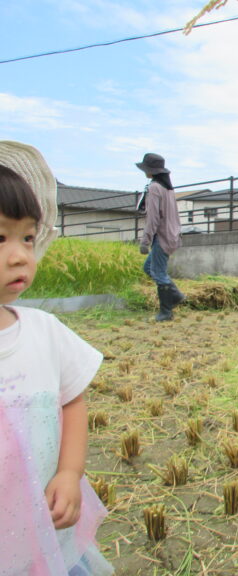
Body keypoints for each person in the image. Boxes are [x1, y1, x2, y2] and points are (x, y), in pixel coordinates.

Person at [0, 141, 113, 575]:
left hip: (41, 523)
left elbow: (72, 400)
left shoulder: (44, 332)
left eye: (27, 237)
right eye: (2, 237)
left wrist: (69, 472)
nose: (20, 254)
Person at [135, 152, 184, 321]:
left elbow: (153, 217)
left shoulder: (155, 188)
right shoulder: (167, 188)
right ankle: (175, 296)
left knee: (158, 272)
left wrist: (145, 240)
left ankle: (166, 312)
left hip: (162, 236)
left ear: (150, 170)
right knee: (149, 268)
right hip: (172, 234)